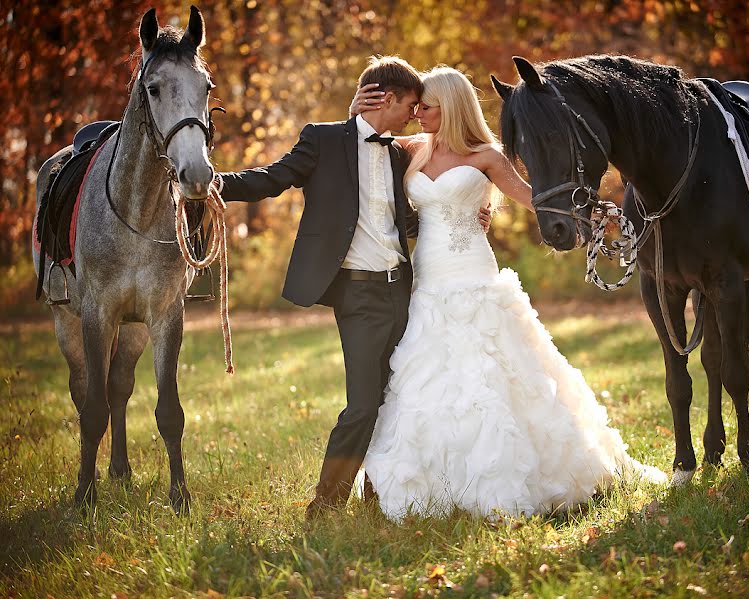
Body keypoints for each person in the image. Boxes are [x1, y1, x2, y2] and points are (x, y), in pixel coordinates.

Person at [351, 66, 667, 521]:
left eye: (428, 107)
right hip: (430, 279)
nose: (417, 113)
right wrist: (355, 111)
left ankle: (523, 475)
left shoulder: (487, 156)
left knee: (497, 370)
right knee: (426, 372)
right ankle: (428, 479)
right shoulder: (411, 150)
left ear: (453, 107)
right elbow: (361, 149)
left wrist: (595, 210)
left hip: (476, 273)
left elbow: (533, 195)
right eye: (417, 106)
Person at [216, 56, 491, 520]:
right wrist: (211, 184)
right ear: (386, 98)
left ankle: (381, 493)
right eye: (410, 105)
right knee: (363, 404)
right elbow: (271, 178)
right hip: (358, 296)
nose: (413, 115)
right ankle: (325, 503)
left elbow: (416, 211)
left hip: (405, 290)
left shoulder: (402, 152)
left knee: (399, 397)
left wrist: (468, 215)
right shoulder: (322, 140)